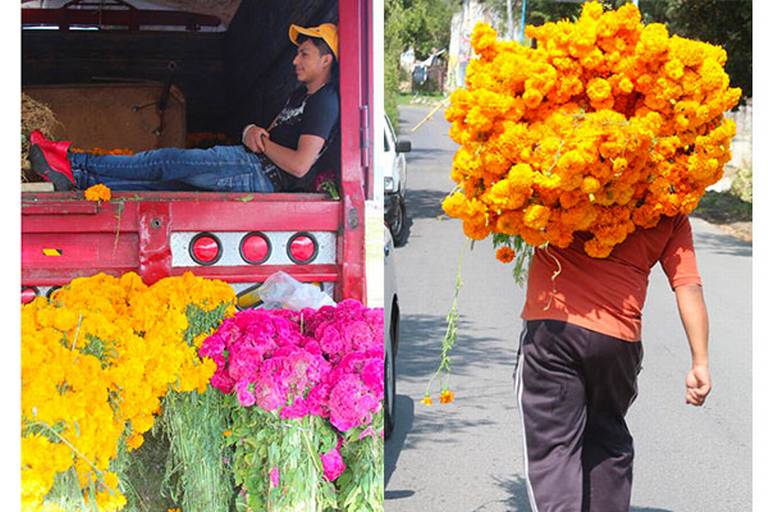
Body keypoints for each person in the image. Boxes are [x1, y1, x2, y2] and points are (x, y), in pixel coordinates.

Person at [515, 214, 711, 511]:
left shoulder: (560, 177)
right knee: (607, 442)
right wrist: (700, 361)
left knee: (554, 447)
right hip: (618, 342)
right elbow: (688, 286)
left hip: (553, 330)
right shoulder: (670, 212)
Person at [28, 23, 340, 194]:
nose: (295, 61)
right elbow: (266, 139)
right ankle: (78, 179)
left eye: (304, 55)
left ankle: (71, 160)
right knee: (156, 182)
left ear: (326, 60)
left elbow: (300, 165)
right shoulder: (301, 97)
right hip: (249, 165)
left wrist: (262, 142)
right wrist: (252, 132)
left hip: (254, 173)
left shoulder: (325, 101)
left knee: (163, 160)